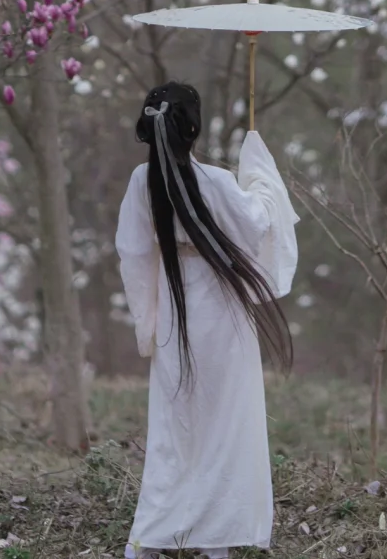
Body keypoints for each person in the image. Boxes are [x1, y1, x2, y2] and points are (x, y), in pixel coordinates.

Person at [115, 80, 299, 559]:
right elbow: (257, 222)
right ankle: (218, 537)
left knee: (176, 426)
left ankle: (149, 539)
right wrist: (261, 176)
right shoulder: (216, 181)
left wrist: (147, 321)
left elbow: (132, 253)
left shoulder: (142, 182)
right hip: (222, 310)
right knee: (227, 422)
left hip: (177, 313)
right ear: (192, 130)